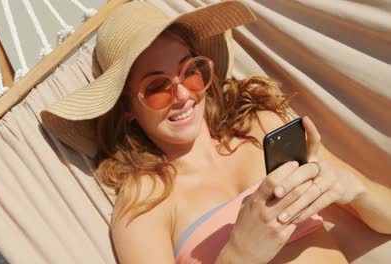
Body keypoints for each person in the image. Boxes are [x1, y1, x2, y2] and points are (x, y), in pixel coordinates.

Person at [40, 1, 391, 263]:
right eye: (158, 87)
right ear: (128, 108)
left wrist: (351, 187)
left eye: (190, 72)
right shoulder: (144, 204)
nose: (182, 96)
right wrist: (239, 253)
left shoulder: (262, 126)